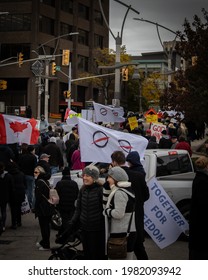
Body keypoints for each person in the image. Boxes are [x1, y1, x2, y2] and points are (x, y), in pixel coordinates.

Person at [103, 150, 150, 260]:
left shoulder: (112, 177)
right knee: (138, 247)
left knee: (118, 251)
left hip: (119, 222)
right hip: (136, 216)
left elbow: (107, 198)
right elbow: (146, 196)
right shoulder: (139, 175)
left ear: (114, 162)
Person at [62, 165, 105, 260]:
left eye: (87, 176)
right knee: (87, 254)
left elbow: (104, 210)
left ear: (94, 178)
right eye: (84, 175)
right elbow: (78, 209)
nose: (84, 178)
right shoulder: (83, 190)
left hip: (97, 230)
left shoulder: (101, 190)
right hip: (85, 229)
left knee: (97, 255)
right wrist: (72, 222)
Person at [104, 166, 136, 260]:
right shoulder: (128, 190)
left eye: (109, 177)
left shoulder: (119, 193)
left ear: (116, 179)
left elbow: (119, 214)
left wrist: (107, 211)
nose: (107, 179)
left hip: (121, 232)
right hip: (129, 231)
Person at [189, 156, 208, 259]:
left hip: (196, 219)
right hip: (201, 220)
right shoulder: (203, 180)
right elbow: (203, 202)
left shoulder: (198, 178)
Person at [34, 165, 54, 251]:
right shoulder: (45, 181)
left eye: (36, 172)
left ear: (40, 173)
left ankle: (46, 245)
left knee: (44, 227)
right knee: (45, 226)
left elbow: (38, 197)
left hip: (43, 208)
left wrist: (35, 208)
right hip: (47, 207)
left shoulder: (39, 182)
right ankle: (44, 242)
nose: (34, 174)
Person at [55, 167, 79, 236]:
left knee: (64, 220)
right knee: (70, 219)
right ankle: (66, 233)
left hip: (62, 205)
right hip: (72, 205)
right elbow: (77, 194)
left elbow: (56, 194)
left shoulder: (59, 183)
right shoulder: (74, 183)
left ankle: (66, 235)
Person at [7, 162, 26, 229]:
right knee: (19, 208)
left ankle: (14, 223)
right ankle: (19, 222)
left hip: (12, 193)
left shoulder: (9, 175)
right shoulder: (21, 174)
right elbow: (25, 183)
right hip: (21, 193)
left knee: (13, 209)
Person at [0, 161, 15, 232]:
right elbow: (12, 187)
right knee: (3, 211)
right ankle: (2, 225)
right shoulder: (8, 176)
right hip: (5, 196)